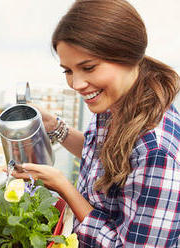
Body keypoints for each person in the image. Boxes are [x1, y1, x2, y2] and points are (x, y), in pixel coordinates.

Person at [10, 0, 180, 247]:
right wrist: (55, 127)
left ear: (129, 56)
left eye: (88, 67)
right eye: (67, 71)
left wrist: (64, 188)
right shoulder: (117, 100)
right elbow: (107, 158)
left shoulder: (158, 152)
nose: (77, 84)